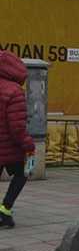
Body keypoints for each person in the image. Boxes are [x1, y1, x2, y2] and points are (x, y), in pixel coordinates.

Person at [0, 51, 35, 229]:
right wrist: (29, 145)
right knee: (23, 173)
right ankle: (5, 210)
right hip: (10, 148)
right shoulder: (14, 91)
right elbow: (17, 128)